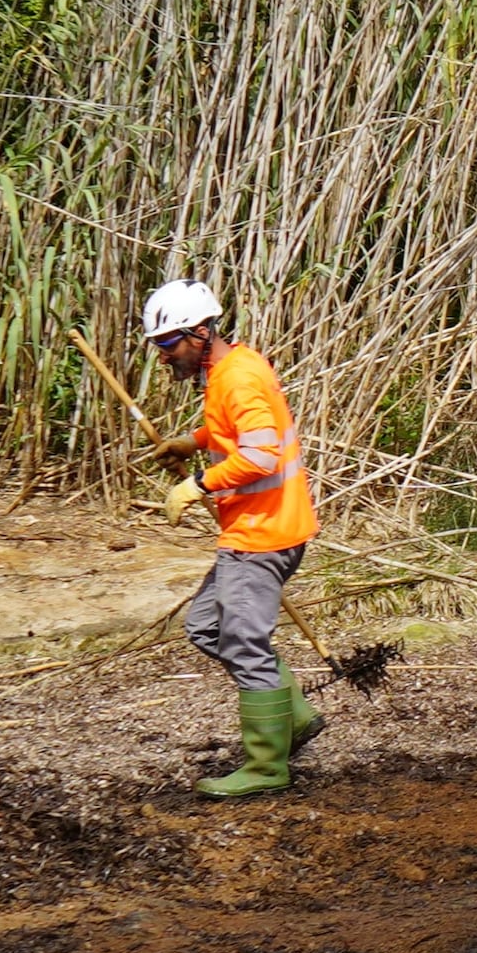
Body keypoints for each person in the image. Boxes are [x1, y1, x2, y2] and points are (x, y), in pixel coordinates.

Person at [142, 278, 323, 797]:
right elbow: (235, 433)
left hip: (264, 532)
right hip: (254, 527)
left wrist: (198, 484)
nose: (162, 355)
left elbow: (262, 455)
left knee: (243, 641)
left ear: (200, 332)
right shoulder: (228, 368)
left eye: (168, 343)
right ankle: (295, 717)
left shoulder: (237, 378)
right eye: (158, 345)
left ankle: (267, 767)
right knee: (205, 627)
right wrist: (192, 441)